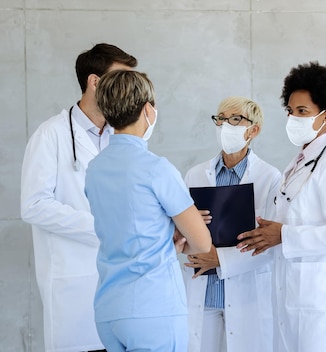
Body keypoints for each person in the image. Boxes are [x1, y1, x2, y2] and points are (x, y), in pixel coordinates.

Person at [234, 62, 326, 352]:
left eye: (302, 111)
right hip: (291, 298)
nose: (293, 118)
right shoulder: (300, 162)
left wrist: (284, 235)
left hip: (319, 306)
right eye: (290, 111)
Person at [84, 70, 212, 351]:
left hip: (108, 312)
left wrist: (165, 237)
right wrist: (176, 236)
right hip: (152, 310)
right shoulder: (156, 168)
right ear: (147, 110)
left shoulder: (94, 169)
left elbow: (127, 227)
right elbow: (202, 243)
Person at [20, 43, 136, 352]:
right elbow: (33, 206)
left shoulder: (122, 136)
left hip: (121, 283)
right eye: (120, 79)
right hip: (73, 285)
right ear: (95, 81)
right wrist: (101, 226)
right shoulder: (52, 135)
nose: (128, 89)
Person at [181, 96, 281, 352]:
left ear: (253, 130)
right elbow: (180, 235)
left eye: (235, 120)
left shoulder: (270, 178)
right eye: (221, 119)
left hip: (247, 292)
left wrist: (220, 259)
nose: (226, 126)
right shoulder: (195, 175)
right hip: (204, 292)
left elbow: (270, 242)